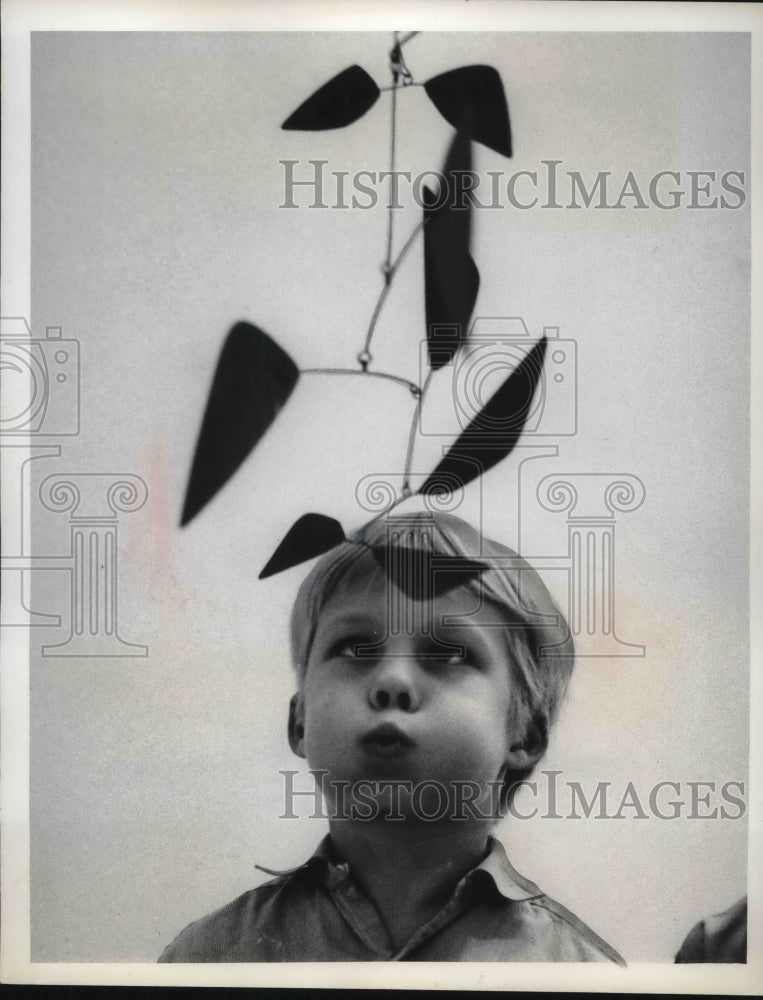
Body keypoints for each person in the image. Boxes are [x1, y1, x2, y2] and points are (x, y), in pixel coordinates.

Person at [159, 510, 625, 963]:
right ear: (299, 721)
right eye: (355, 648)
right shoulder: (206, 959)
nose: (392, 681)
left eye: (448, 654)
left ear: (525, 734)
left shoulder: (584, 975)